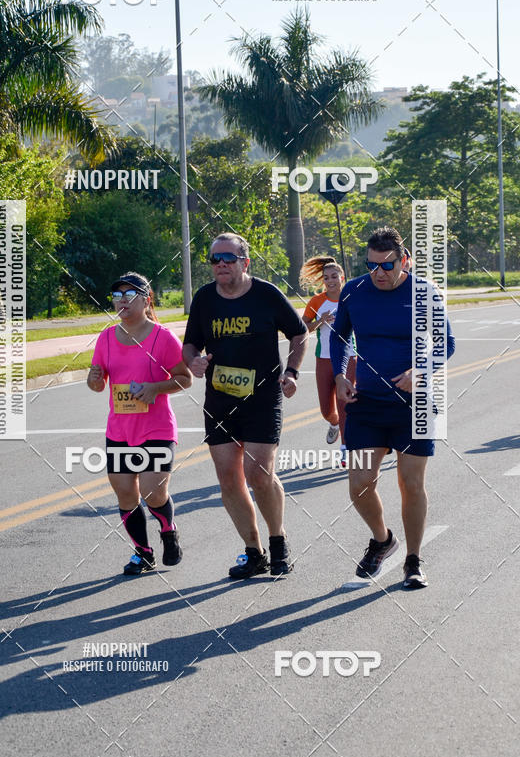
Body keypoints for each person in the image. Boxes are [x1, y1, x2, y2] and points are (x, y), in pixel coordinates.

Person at [331, 227, 455, 589]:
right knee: (359, 484)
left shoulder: (424, 293)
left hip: (414, 405)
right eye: (371, 265)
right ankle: (383, 540)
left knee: (410, 484)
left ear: (404, 261)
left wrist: (421, 370)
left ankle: (413, 561)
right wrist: (340, 376)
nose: (378, 273)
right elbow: (341, 337)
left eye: (386, 266)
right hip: (366, 403)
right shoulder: (354, 290)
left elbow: (445, 343)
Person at [183, 233, 308, 579]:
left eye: (228, 258)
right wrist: (193, 362)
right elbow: (190, 344)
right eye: (214, 259)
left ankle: (278, 541)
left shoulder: (266, 295)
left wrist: (292, 372)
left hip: (263, 397)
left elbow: (299, 334)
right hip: (220, 400)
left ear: (245, 262)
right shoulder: (205, 299)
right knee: (228, 479)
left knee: (259, 474)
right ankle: (254, 551)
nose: (221, 264)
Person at [88, 272, 192, 575]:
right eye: (117, 295)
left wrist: (155, 388)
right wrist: (93, 379)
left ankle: (168, 530)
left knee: (152, 492)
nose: (122, 300)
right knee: (125, 493)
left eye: (129, 294)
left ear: (147, 300)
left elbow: (185, 378)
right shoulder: (106, 337)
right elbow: (98, 382)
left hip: (156, 428)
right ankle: (143, 554)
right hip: (119, 429)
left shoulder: (162, 337)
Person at [301, 256, 356, 466]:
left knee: (345, 406)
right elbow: (302, 329)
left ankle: (345, 448)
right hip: (323, 359)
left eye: (334, 276)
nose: (330, 280)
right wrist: (320, 321)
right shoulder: (317, 302)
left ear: (342, 277)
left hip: (349, 357)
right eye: (326, 278)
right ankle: (334, 424)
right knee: (327, 410)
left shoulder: (351, 297)